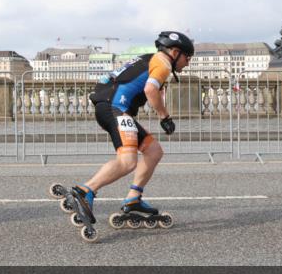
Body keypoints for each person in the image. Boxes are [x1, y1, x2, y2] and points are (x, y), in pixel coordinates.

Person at [52, 31, 194, 242]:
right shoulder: (163, 63)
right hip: (115, 108)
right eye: (187, 58)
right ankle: (84, 191)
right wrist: (165, 117)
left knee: (154, 151)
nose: (188, 63)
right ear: (175, 52)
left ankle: (133, 199)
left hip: (112, 107)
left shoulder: (149, 58)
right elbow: (151, 90)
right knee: (127, 162)